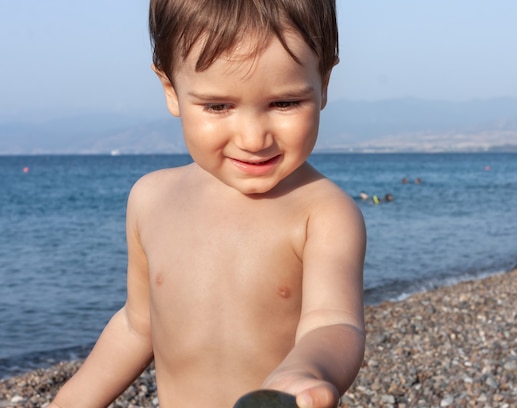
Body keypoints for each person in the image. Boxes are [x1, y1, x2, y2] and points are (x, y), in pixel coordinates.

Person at [50, 1, 366, 407]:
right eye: (218, 106)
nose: (253, 138)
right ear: (171, 91)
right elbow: (137, 326)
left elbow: (334, 322)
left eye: (284, 103)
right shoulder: (150, 199)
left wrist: (307, 369)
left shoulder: (322, 212)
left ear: (323, 83)